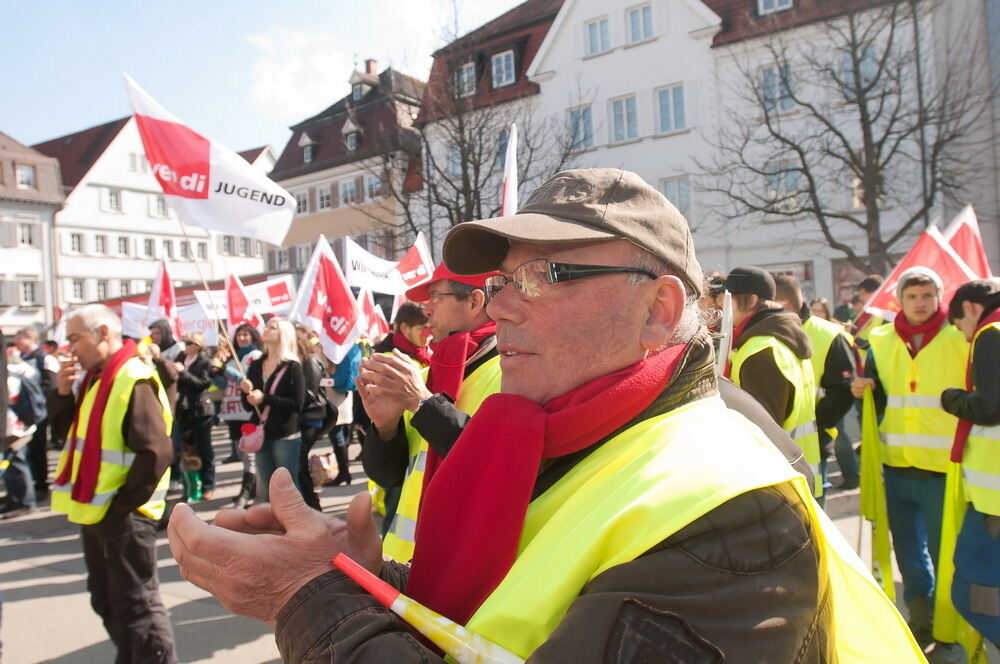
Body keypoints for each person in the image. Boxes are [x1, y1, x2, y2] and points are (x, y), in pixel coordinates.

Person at [169, 168, 924, 663]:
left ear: (659, 309)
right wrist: (369, 578)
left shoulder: (729, 508)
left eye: (544, 275)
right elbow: (523, 613)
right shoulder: (578, 432)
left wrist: (308, 599)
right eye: (500, 281)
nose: (496, 306)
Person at [851, 266, 969, 652]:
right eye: (913, 296)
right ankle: (922, 621)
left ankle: (949, 627)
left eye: (928, 296)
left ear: (940, 298)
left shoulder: (961, 338)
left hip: (945, 469)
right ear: (900, 300)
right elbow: (879, 396)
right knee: (908, 553)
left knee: (945, 553)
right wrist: (862, 387)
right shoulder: (880, 340)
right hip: (896, 465)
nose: (920, 304)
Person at [49, 304, 176, 663]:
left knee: (137, 604)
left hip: (124, 514)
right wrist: (60, 392)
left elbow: (156, 452)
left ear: (103, 333)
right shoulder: (95, 380)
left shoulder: (131, 377)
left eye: (75, 338)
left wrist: (123, 506)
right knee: (105, 597)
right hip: (100, 511)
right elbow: (68, 436)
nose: (70, 348)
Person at [359, 262, 500, 563]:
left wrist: (423, 405)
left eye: (436, 297)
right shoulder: (427, 377)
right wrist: (385, 428)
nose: (426, 310)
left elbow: (492, 466)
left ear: (475, 302)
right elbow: (388, 476)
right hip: (407, 563)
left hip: (463, 565)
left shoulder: (509, 372)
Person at [939, 279, 1000, 650]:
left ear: (971, 309)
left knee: (972, 596)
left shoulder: (990, 332)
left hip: (993, 502)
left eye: (960, 326)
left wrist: (952, 398)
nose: (964, 337)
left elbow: (990, 406)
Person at [724, 266, 822, 497]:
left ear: (751, 301)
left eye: (728, 300)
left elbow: (761, 433)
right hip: (800, 472)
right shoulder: (784, 338)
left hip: (779, 483)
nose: (722, 307)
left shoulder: (761, 352)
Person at [775, 275, 857, 495]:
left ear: (782, 305)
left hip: (815, 444)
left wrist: (817, 427)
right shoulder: (767, 332)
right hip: (775, 448)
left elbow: (842, 391)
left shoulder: (829, 335)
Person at [368, 302, 431, 534]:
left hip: (417, 453)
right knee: (395, 520)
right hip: (398, 452)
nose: (429, 332)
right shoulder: (389, 360)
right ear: (404, 328)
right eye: (422, 327)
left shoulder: (424, 355)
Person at [239, 318, 304, 504]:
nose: (266, 329)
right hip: (261, 434)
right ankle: (271, 527)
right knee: (266, 486)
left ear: (283, 334)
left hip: (285, 435)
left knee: (287, 486)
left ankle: (298, 528)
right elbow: (248, 405)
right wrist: (246, 393)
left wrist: (264, 398)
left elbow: (297, 404)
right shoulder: (256, 365)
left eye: (272, 327)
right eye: (266, 326)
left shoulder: (292, 366)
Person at [211, 323, 263, 509]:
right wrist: (215, 373)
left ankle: (247, 491)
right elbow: (225, 386)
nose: (242, 338)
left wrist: (226, 371)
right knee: (241, 452)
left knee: (250, 454)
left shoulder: (255, 356)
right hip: (232, 411)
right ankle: (251, 487)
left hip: (247, 412)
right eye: (239, 335)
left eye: (246, 335)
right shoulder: (233, 358)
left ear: (253, 337)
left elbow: (246, 381)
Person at [13, 326, 58, 500]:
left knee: (38, 448)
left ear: (31, 339)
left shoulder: (44, 359)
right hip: (23, 412)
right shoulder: (20, 359)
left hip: (38, 412)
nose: (17, 342)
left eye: (20, 338)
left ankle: (41, 484)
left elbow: (51, 387)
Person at [173, 332, 216, 501]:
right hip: (183, 410)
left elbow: (203, 383)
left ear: (198, 345)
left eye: (189, 343)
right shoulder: (180, 357)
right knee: (184, 449)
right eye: (185, 343)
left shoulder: (204, 362)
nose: (186, 346)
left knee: (205, 449)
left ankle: (208, 485)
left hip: (201, 411)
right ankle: (190, 485)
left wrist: (184, 373)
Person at [295, 324, 330, 510]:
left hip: (310, 417)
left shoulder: (310, 361)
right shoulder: (298, 360)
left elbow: (309, 392)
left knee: (299, 463)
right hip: (302, 418)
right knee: (298, 463)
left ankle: (312, 504)